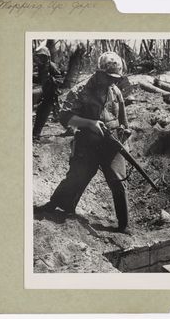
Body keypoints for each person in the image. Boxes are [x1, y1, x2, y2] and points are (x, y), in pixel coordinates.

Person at [34, 52, 131, 232]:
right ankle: (58, 207)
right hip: (88, 142)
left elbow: (123, 120)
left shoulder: (115, 91)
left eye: (115, 78)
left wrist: (125, 131)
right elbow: (65, 117)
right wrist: (90, 123)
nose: (112, 81)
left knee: (118, 182)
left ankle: (124, 225)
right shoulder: (81, 90)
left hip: (111, 143)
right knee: (77, 177)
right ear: (99, 73)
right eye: (109, 77)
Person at [32, 46, 61, 139]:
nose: (40, 58)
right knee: (52, 112)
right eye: (39, 56)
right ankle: (35, 134)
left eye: (42, 56)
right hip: (45, 93)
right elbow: (41, 79)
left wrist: (52, 80)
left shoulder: (51, 66)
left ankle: (36, 134)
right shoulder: (42, 67)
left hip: (51, 94)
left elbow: (59, 78)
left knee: (43, 112)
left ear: (47, 57)